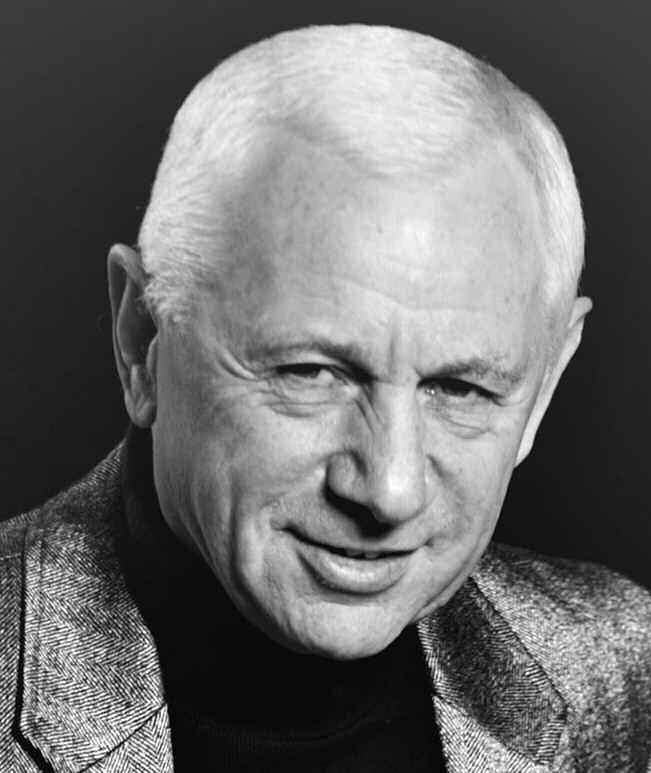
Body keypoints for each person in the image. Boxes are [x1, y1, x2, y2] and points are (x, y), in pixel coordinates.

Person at [0, 24, 649, 773]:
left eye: (459, 388)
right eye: (311, 373)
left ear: (543, 386)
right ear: (142, 338)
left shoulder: (624, 668)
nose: (388, 491)